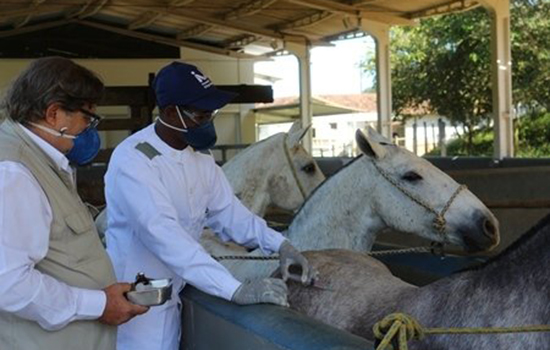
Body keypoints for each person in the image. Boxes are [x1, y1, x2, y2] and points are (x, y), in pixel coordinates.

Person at [105, 61, 317, 350]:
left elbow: (231, 214)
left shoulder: (201, 161)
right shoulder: (133, 160)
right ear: (170, 113)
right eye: (201, 114)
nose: (209, 121)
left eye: (211, 113)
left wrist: (280, 245)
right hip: (135, 301)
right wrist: (235, 289)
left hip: (172, 293)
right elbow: (165, 235)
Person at [0, 57, 148, 350]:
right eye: (87, 118)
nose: (89, 129)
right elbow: (10, 284)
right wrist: (99, 304)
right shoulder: (15, 173)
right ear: (54, 113)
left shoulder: (39, 159)